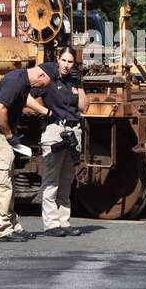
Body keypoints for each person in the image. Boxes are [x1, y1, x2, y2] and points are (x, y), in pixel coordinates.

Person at [0, 65, 51, 242]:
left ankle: (10, 224)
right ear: (41, 74)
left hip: (2, 133)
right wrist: (10, 135)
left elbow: (25, 101)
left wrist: (46, 112)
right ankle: (0, 229)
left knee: (7, 180)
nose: (40, 88)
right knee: (0, 181)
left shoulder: (23, 83)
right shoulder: (16, 81)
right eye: (42, 85)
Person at [37, 47, 89, 237]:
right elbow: (28, 96)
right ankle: (51, 224)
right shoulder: (48, 78)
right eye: (64, 61)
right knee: (51, 179)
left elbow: (84, 106)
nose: (67, 65)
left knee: (67, 179)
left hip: (73, 130)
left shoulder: (73, 82)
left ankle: (63, 221)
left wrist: (80, 84)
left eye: (70, 62)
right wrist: (45, 112)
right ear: (58, 59)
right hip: (55, 130)